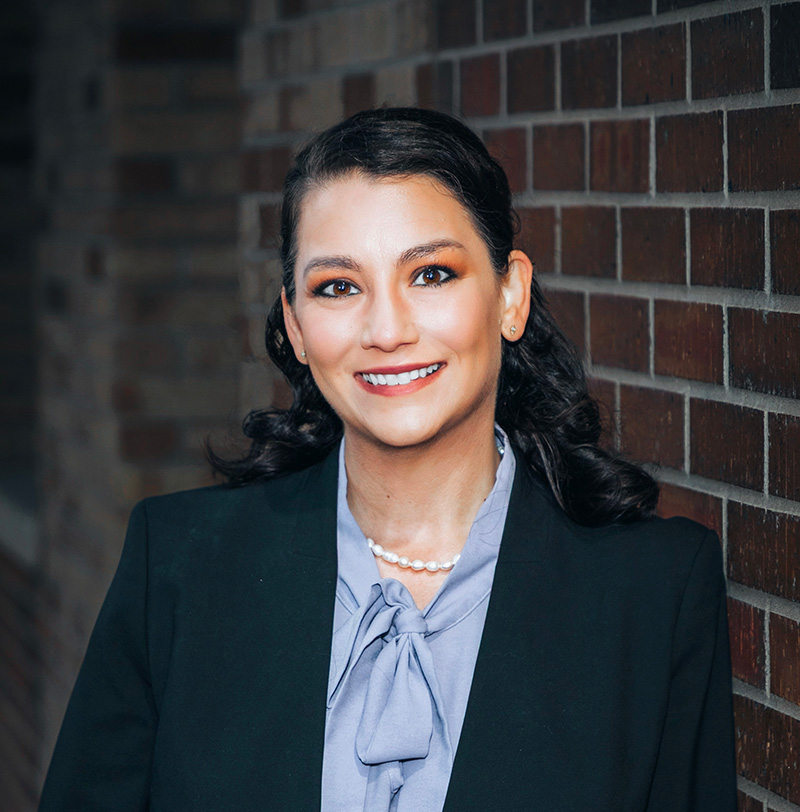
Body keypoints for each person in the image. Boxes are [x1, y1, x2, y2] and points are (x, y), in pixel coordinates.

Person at [39, 107, 737, 811]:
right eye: (338, 287)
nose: (386, 330)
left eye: (430, 274)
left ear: (510, 295)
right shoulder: (178, 564)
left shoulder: (655, 591)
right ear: (296, 326)